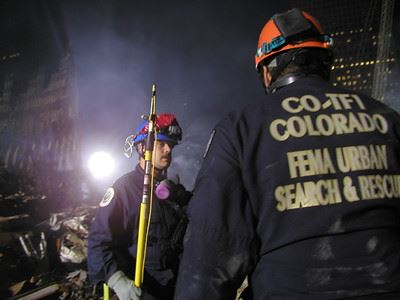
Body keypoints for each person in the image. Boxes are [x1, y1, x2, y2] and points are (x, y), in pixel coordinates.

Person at [174, 8, 400, 299]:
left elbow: (209, 257)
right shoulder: (388, 119)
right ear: (325, 62)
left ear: (266, 72)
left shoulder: (241, 129)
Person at [88, 113, 191, 300]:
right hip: (142, 287)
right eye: (161, 144)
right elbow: (98, 240)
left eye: (171, 144)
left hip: (175, 284)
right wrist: (116, 279)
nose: (168, 149)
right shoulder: (124, 189)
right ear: (142, 147)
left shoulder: (174, 191)